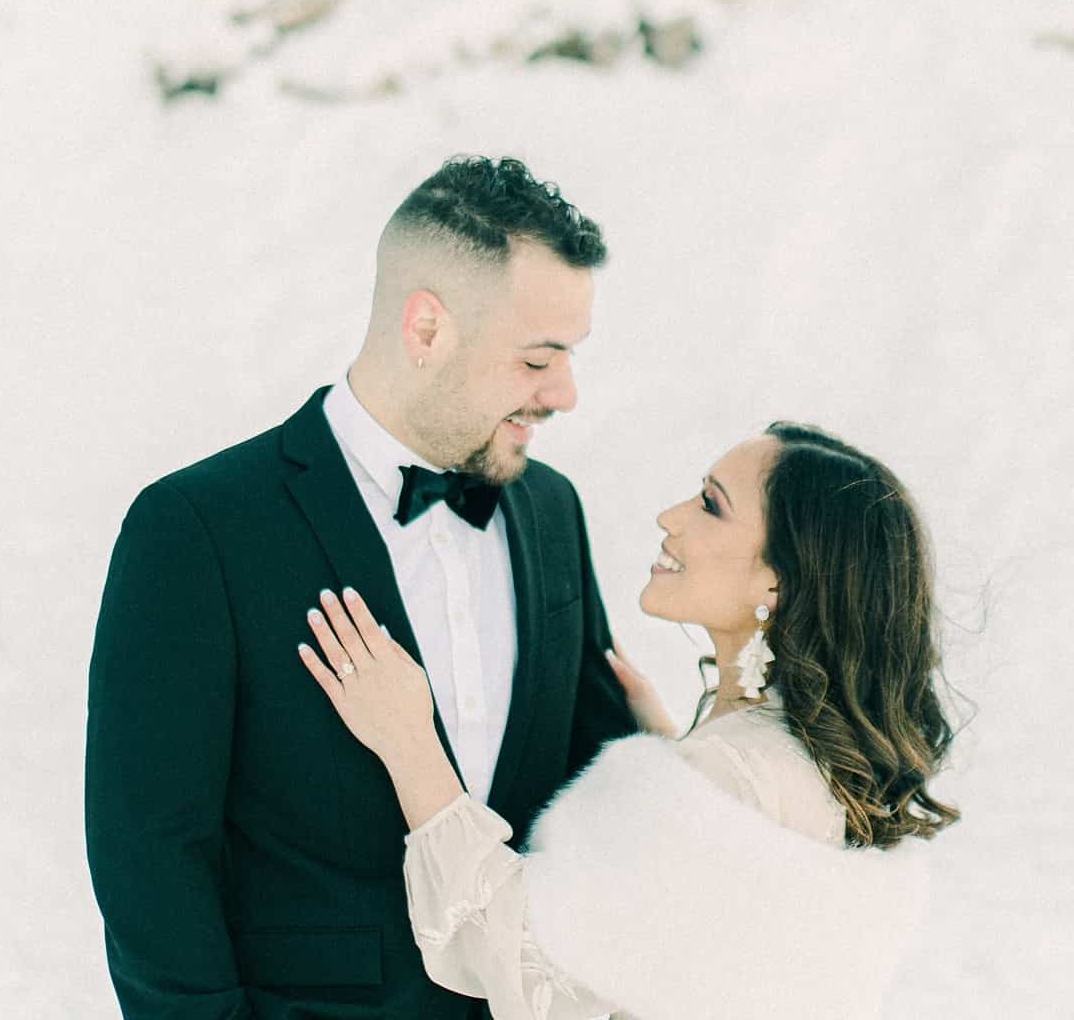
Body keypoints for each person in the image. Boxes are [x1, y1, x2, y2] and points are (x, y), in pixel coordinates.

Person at [85, 156, 636, 1019]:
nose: (564, 392)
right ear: (426, 329)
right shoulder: (198, 527)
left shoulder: (551, 510)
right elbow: (150, 852)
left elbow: (589, 784)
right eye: (538, 358)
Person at [295, 423, 958, 1020]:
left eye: (710, 505)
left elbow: (525, 968)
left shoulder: (722, 776)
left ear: (775, 586)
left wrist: (410, 741)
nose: (670, 518)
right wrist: (670, 760)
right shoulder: (799, 760)